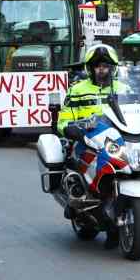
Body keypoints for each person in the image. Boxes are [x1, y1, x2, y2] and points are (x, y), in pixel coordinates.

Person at [56, 43, 123, 249]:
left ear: (113, 67)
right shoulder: (77, 90)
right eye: (98, 66)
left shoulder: (124, 89)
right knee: (78, 165)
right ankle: (75, 202)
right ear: (90, 68)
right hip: (86, 141)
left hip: (118, 141)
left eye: (106, 66)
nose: (102, 69)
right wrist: (70, 128)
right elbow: (63, 119)